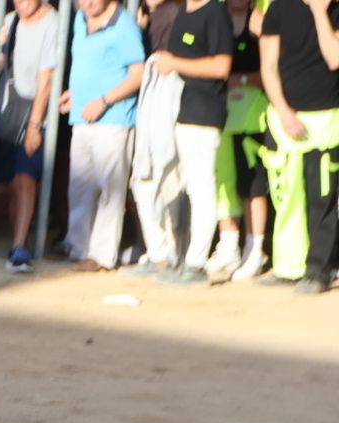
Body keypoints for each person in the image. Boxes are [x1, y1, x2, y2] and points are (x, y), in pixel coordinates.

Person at [129, 0, 233, 284]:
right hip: (170, 111)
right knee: (146, 181)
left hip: (201, 113)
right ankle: (160, 255)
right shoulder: (184, 11)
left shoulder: (216, 12)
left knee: (200, 186)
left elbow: (222, 65)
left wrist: (175, 63)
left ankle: (196, 263)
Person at [259, 0, 339, 294]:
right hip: (285, 117)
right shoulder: (279, 7)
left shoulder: (333, 9)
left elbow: (334, 58)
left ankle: (320, 270)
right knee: (287, 195)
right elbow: (268, 66)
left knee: (322, 199)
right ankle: (289, 266)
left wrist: (319, 12)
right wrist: (283, 111)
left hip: (326, 119)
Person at [60, 0, 146, 270]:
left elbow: (138, 74)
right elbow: (87, 66)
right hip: (81, 118)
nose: (85, 4)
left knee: (110, 190)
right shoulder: (79, 19)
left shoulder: (124, 26)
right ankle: (78, 247)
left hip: (113, 120)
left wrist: (104, 101)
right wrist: (75, 93)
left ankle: (101, 255)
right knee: (80, 187)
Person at [0, 0, 63, 272]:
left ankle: (20, 246)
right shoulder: (9, 21)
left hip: (36, 112)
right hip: (9, 110)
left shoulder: (52, 23)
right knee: (12, 182)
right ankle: (17, 241)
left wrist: (35, 124)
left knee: (25, 178)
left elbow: (46, 80)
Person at [208, 0, 272, 280]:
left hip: (252, 118)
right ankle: (229, 244)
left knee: (253, 185)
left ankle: (255, 248)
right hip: (220, 119)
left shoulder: (258, 22)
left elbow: (272, 69)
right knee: (224, 183)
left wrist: (241, 80)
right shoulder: (215, 18)